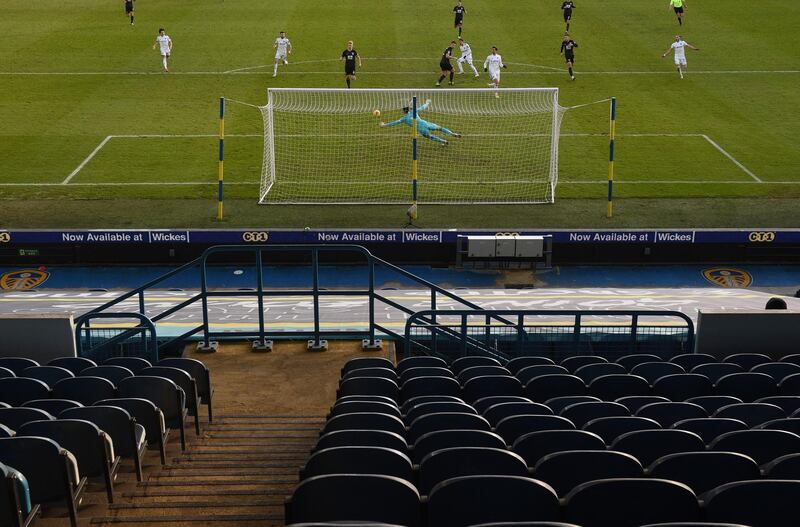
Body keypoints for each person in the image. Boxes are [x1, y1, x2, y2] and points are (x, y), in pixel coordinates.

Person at [380, 99, 462, 145]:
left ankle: (443, 141)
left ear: (404, 112)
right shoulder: (414, 111)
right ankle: (452, 134)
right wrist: (427, 103)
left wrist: (384, 125)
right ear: (409, 109)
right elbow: (422, 107)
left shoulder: (404, 118)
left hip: (421, 129)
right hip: (425, 123)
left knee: (430, 136)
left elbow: (394, 122)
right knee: (440, 128)